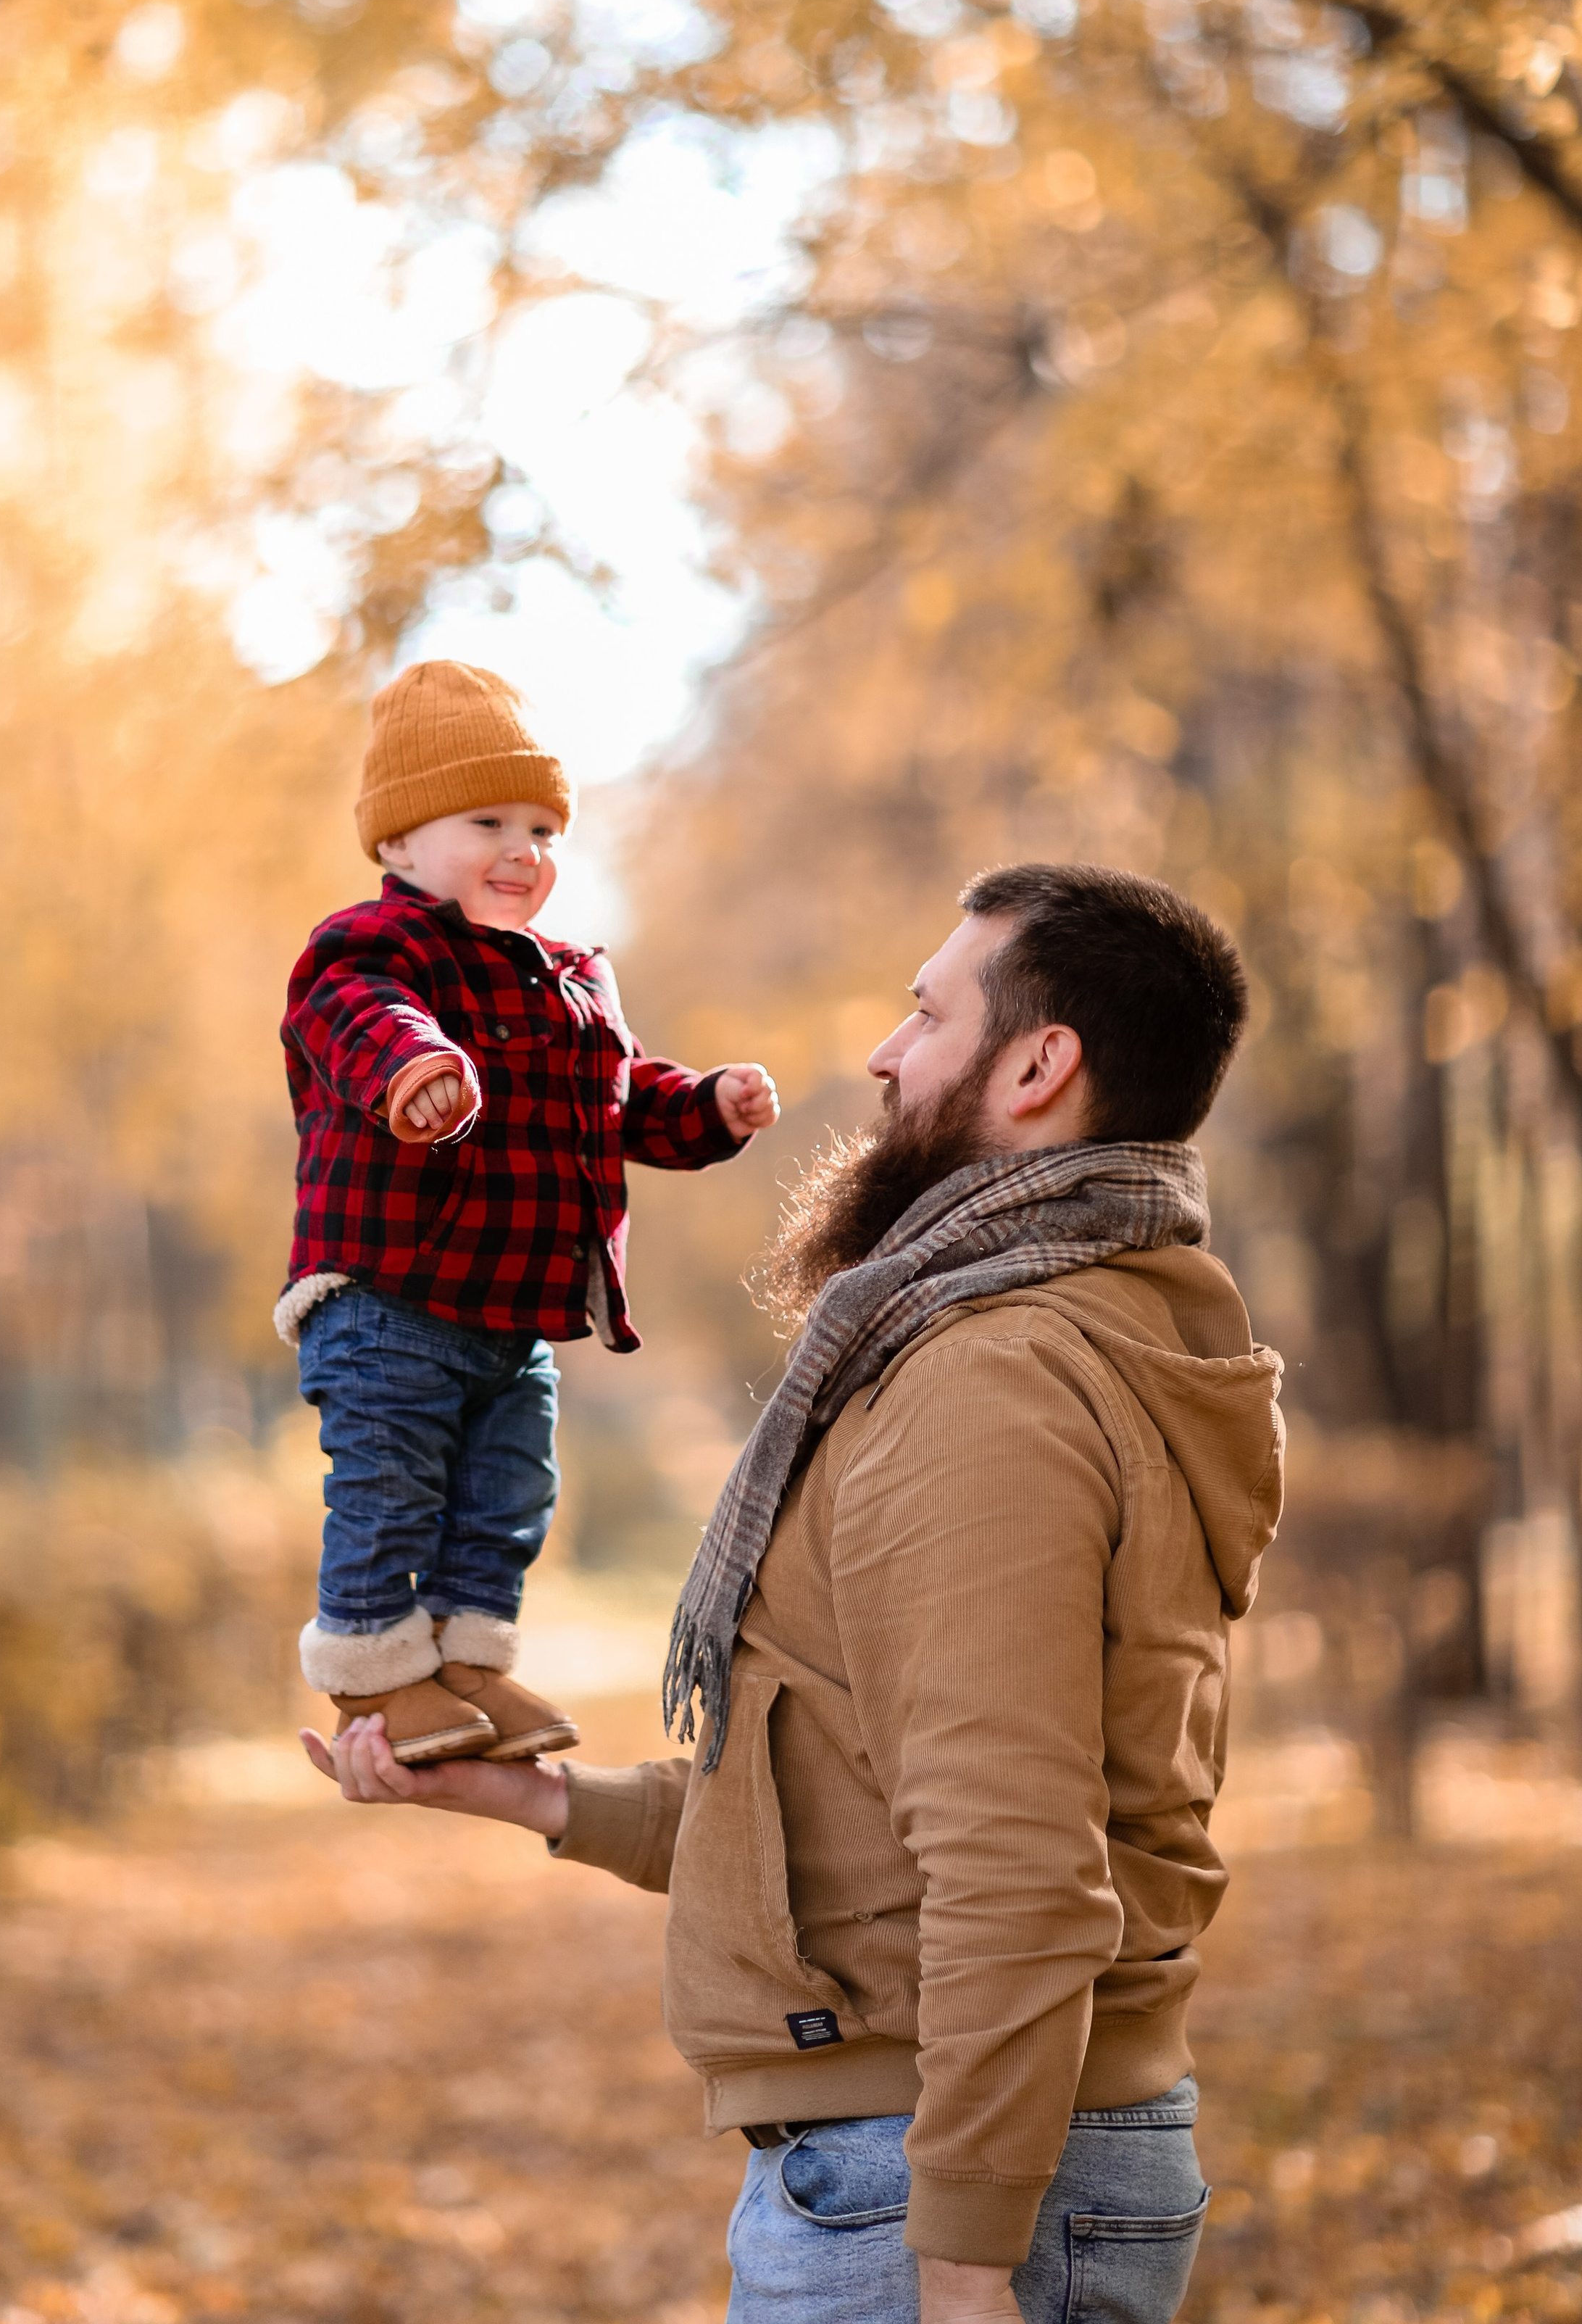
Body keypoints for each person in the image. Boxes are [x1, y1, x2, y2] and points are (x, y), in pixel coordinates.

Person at [303, 861, 1286, 2324]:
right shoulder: (1044, 1333)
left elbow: (1012, 1860)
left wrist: (958, 2266)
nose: (884, 1056)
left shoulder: (990, 1382)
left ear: (1036, 1064)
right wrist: (544, 1805)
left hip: (936, 2191)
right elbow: (854, 1801)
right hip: (944, 2159)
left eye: (925, 1012)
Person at [279, 657, 780, 1768]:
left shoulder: (571, 976)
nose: (526, 852)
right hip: (391, 1297)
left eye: (546, 830)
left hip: (512, 1315)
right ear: (400, 843)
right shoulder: (372, 948)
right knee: (392, 1480)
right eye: (490, 821)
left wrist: (706, 1107)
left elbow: (617, 1098)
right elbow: (361, 1018)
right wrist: (419, 1071)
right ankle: (373, 1668)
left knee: (510, 1495)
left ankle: (466, 1666)